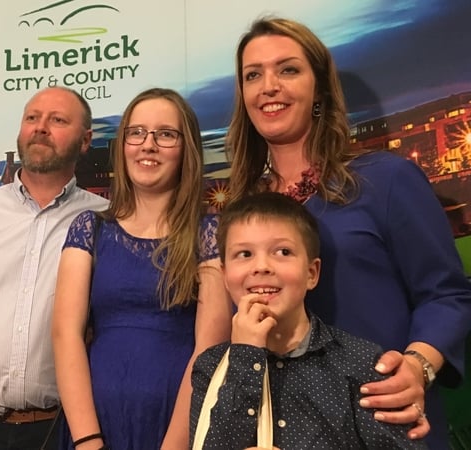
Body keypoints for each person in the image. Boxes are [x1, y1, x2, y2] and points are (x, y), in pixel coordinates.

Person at [225, 16, 471, 449]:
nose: (268, 86)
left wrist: (419, 365)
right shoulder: (239, 211)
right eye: (253, 75)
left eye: (288, 69)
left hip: (386, 423)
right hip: (283, 431)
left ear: (319, 88)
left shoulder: (387, 180)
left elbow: (447, 295)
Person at [0, 86, 109, 450]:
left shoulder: (104, 220)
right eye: (32, 118)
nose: (41, 128)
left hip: (58, 430)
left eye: (57, 120)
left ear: (85, 140)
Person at [52, 88, 233, 450]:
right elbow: (64, 335)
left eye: (165, 134)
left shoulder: (209, 235)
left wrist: (175, 445)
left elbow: (210, 350)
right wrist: (87, 441)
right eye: (136, 133)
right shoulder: (90, 228)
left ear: (187, 150)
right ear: (123, 146)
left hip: (175, 426)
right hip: (94, 424)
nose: (147, 144)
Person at [190, 191, 426, 449]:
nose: (261, 266)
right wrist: (246, 355)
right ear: (225, 276)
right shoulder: (211, 368)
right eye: (244, 254)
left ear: (312, 273)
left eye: (282, 251)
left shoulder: (361, 364)